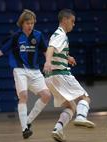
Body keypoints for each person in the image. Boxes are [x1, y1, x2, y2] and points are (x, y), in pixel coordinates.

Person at [0, 9, 51, 139]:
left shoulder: (38, 36)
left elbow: (46, 50)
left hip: (35, 71)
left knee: (46, 96)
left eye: (32, 23)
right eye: (27, 23)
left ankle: (28, 121)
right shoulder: (15, 37)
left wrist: (48, 62)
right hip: (20, 70)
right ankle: (24, 129)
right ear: (22, 24)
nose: (30, 26)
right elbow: (2, 50)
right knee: (23, 96)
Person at [43, 9, 95, 142]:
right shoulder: (61, 34)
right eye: (72, 21)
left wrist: (67, 57)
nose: (73, 24)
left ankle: (57, 130)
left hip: (50, 79)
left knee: (70, 107)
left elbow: (55, 51)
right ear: (65, 20)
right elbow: (50, 49)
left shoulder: (57, 34)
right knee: (85, 98)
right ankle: (81, 118)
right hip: (60, 74)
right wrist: (48, 62)